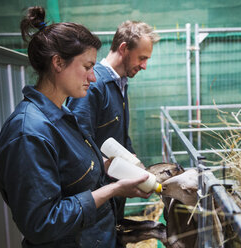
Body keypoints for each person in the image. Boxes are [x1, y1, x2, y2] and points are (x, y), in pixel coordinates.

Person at [0, 6, 150, 248]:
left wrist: (116, 167)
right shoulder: (28, 133)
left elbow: (76, 170)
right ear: (58, 62)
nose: (93, 77)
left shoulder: (63, 115)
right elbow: (42, 223)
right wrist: (114, 190)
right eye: (87, 67)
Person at [67, 21, 160, 225]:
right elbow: (78, 143)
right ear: (124, 48)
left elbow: (118, 133)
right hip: (97, 194)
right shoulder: (92, 86)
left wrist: (134, 162)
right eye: (142, 58)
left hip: (115, 186)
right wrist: (113, 173)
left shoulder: (120, 82)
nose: (144, 66)